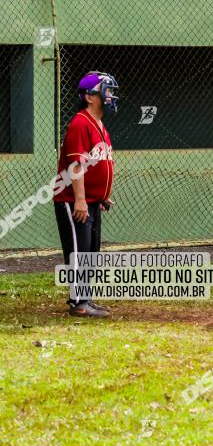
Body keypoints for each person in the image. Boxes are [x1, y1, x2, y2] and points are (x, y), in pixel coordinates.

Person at [53, 71, 118, 317]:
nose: (111, 95)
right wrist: (80, 199)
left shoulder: (100, 125)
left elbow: (99, 162)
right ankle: (78, 303)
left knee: (91, 251)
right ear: (89, 97)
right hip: (72, 200)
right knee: (79, 250)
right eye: (106, 90)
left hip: (91, 200)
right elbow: (76, 166)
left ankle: (85, 298)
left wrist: (101, 194)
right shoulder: (81, 122)